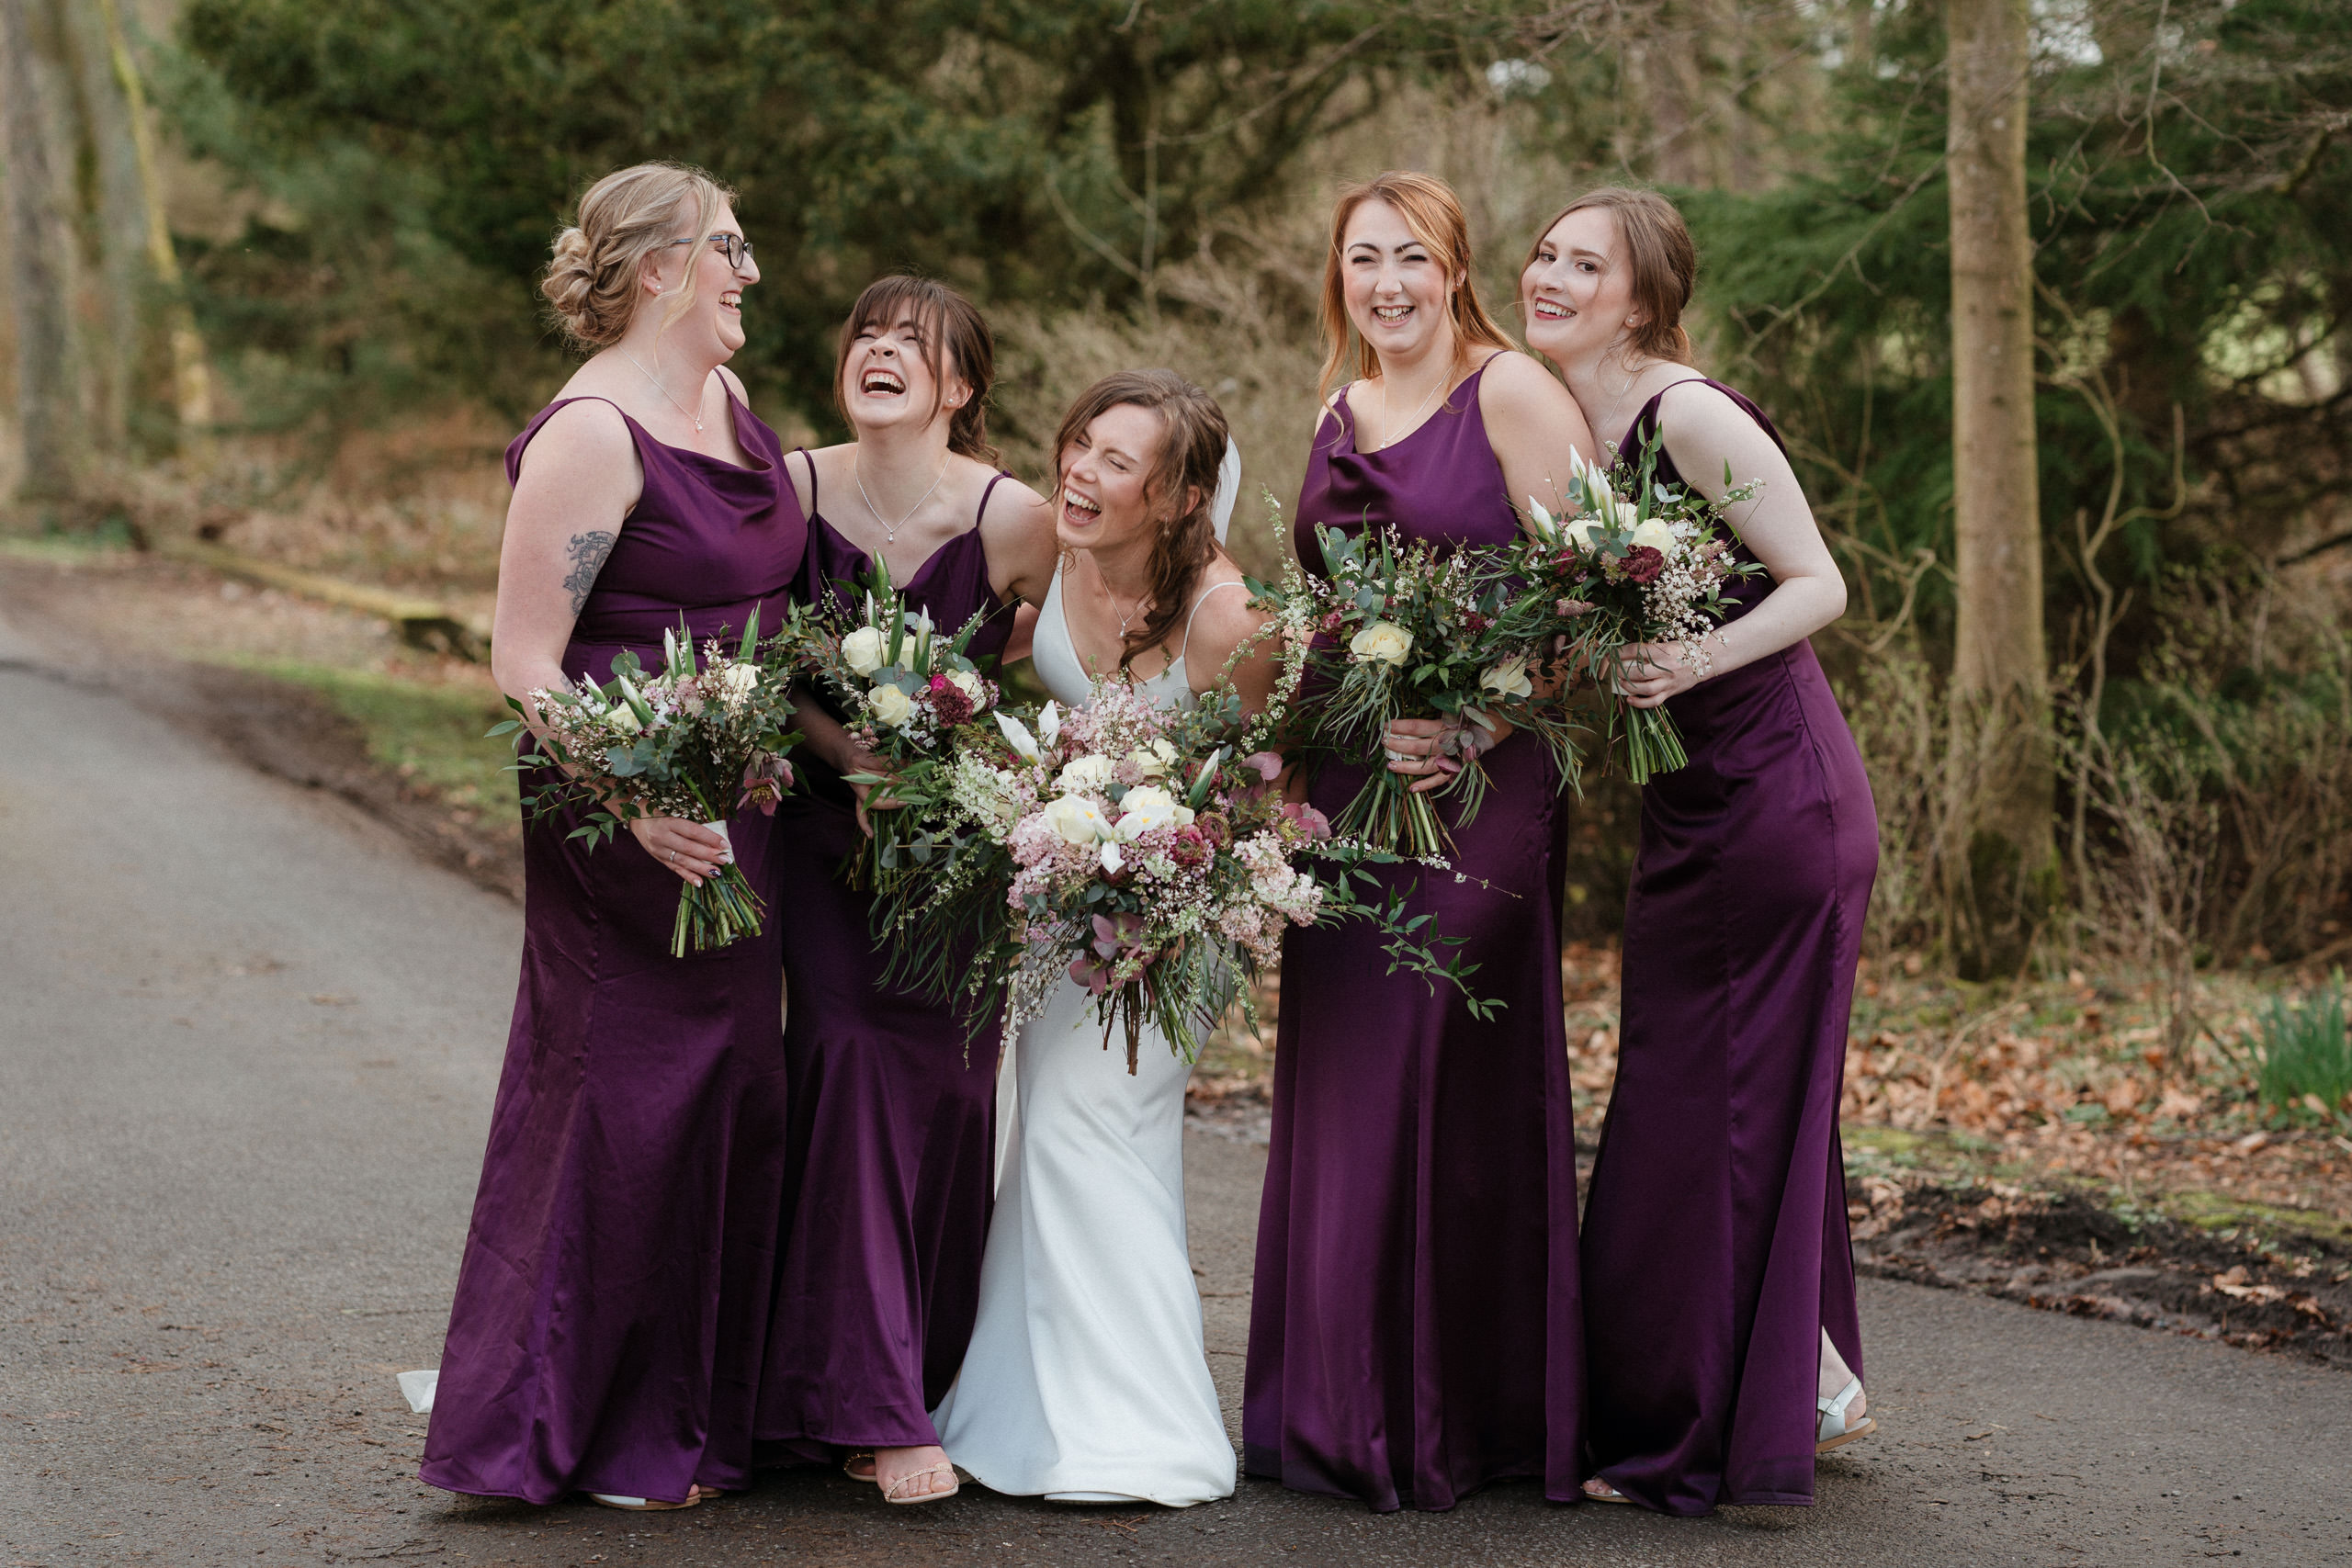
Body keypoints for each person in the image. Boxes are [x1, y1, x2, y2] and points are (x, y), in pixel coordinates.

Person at [419, 163, 802, 1511]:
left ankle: (685, 1414)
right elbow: (523, 659)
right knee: (621, 1097)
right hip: (618, 814)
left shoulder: (730, 406)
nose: (750, 271)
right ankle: (568, 1422)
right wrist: (635, 795)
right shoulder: (592, 433)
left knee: (728, 1087)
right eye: (729, 248)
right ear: (661, 271)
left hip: (737, 804)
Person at [1518, 186, 1879, 1515]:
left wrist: (1692, 657)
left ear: (1645, 298)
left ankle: (1701, 1430)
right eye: (1544, 253)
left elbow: (1820, 580)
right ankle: (1805, 1380)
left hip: (1780, 799)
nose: (1550, 276)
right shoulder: (1569, 428)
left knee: (1709, 1102)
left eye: (1586, 264)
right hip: (1689, 804)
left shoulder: (1686, 415)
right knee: (1719, 1094)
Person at [1243, 171, 1597, 1513]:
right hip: (1352, 787)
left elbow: (1594, 603)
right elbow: (1320, 616)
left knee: (1440, 1058)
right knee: (1344, 1075)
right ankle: (1337, 1408)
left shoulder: (1511, 394)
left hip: (1483, 782)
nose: (1385, 283)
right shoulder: (1334, 412)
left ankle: (1458, 1413)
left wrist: (1478, 721)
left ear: (1454, 270)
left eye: (1410, 258)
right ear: (1336, 277)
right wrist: (1276, 754)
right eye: (1362, 259)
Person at [931, 372, 1268, 1507]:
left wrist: (1175, 888)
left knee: (1091, 1118)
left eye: (1116, 462)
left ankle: (1141, 1427)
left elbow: (1268, 787)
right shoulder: (1055, 555)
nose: (1078, 469)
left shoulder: (1226, 619)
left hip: (1181, 914)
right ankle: (1025, 1409)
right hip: (1063, 890)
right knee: (1042, 1119)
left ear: (1181, 498)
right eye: (1080, 443)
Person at [755, 276, 1057, 1506]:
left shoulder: (1014, 517)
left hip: (955, 853)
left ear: (961, 384)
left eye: (911, 344)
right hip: (821, 839)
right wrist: (849, 755)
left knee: (948, 1090)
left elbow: (1086, 646)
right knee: (845, 1055)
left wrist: (977, 759)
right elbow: (758, 655)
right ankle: (868, 1404)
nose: (879, 353)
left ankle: (911, 1374)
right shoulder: (787, 488)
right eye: (866, 336)